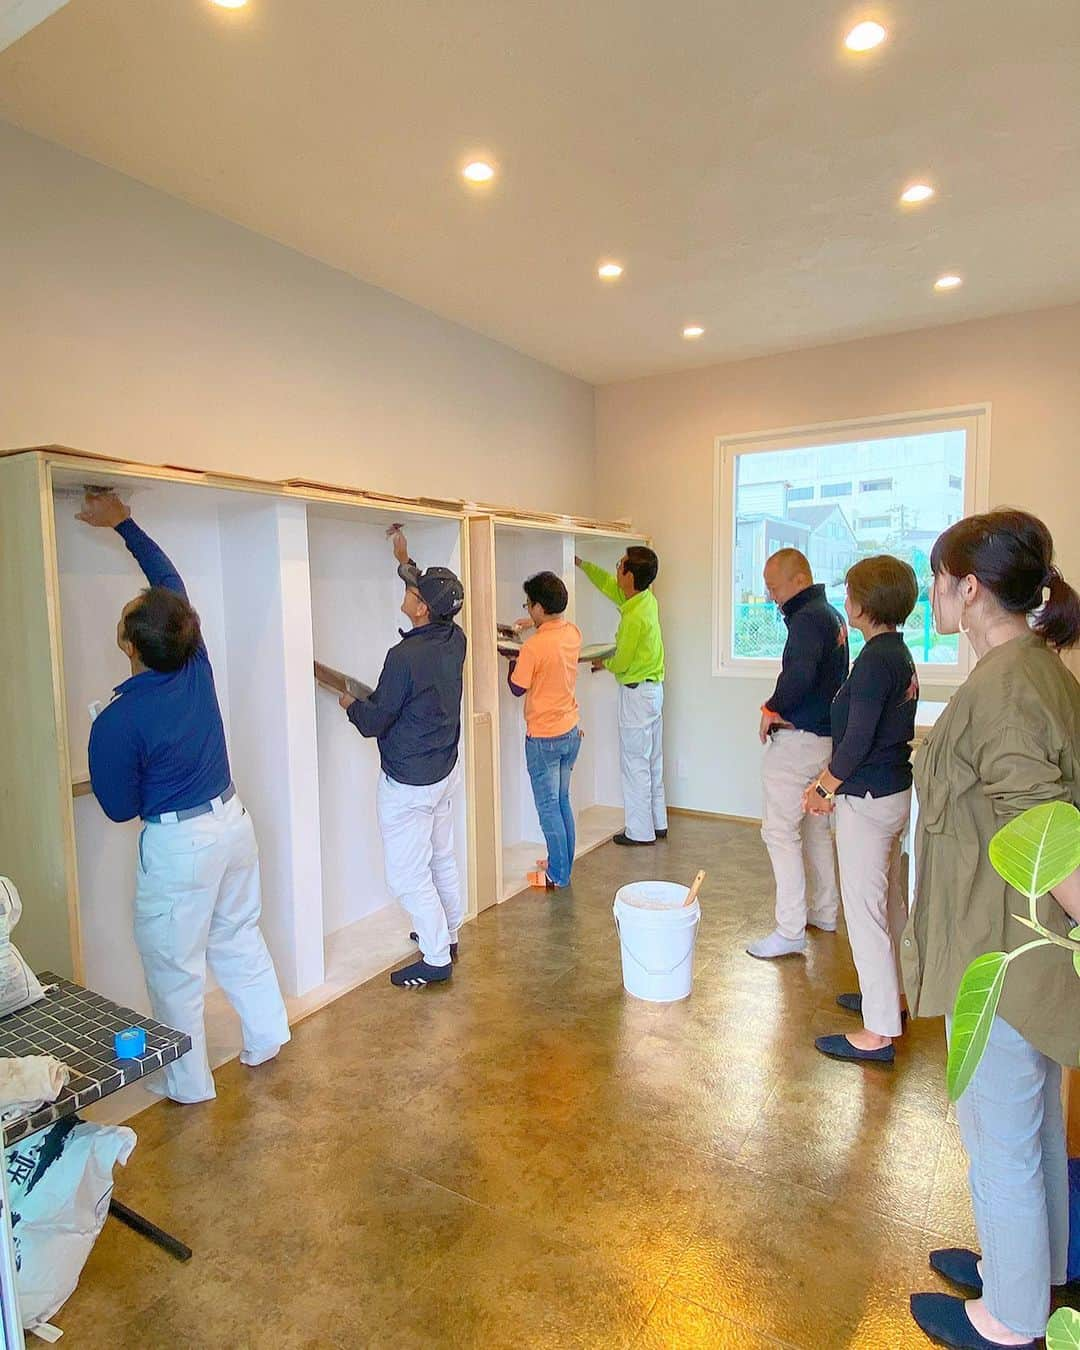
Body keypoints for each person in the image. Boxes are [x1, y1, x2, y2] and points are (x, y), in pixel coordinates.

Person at [903, 510, 1080, 1350]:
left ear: (967, 587)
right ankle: (1034, 1274)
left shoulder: (1008, 685)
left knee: (1000, 1137)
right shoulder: (1033, 668)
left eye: (939, 578)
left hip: (1002, 953)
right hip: (1027, 953)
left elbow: (1048, 834)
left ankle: (1011, 1320)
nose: (934, 592)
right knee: (1035, 1118)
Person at [80, 491, 290, 1105]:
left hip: (180, 846)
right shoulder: (194, 659)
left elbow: (119, 808)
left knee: (175, 975)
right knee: (238, 935)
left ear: (131, 647)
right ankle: (266, 1038)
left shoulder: (118, 720)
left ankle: (191, 1089)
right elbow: (169, 582)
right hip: (232, 822)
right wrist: (123, 522)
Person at [802, 556, 920, 1065]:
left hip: (867, 799)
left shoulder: (875, 662)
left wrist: (822, 790)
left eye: (850, 592)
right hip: (891, 793)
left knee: (867, 912)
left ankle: (877, 1033)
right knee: (888, 904)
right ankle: (888, 1000)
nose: (844, 600)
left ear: (866, 604)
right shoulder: (896, 653)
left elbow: (856, 742)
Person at [340, 527, 466, 989]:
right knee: (441, 859)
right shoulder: (456, 639)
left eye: (413, 590)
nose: (409, 592)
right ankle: (447, 935)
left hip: (409, 782)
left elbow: (376, 720)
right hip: (443, 772)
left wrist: (352, 706)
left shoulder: (403, 657)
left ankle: (436, 959)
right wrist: (403, 558)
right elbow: (426, 588)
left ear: (422, 608)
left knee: (407, 876)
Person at [748, 548, 849, 960]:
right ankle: (824, 912)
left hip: (799, 740)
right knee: (814, 829)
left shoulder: (807, 619)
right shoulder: (832, 616)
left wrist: (772, 707)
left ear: (799, 580)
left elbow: (799, 677)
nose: (772, 598)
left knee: (779, 832)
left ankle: (790, 929)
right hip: (824, 738)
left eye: (774, 588)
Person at [576, 547, 667, 846]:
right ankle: (657, 822)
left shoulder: (633, 618)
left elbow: (623, 661)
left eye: (619, 566)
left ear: (629, 575)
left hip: (637, 694)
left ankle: (639, 832)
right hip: (652, 692)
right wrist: (583, 564)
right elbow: (607, 585)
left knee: (635, 763)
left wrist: (604, 663)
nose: (616, 570)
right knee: (651, 760)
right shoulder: (644, 600)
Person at [504, 571, 584, 890]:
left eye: (528, 606)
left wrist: (513, 654)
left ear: (538, 607)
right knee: (562, 801)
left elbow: (517, 687)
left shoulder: (533, 648)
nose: (527, 611)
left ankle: (557, 874)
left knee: (548, 807)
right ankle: (561, 861)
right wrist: (530, 629)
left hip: (543, 738)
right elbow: (550, 637)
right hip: (570, 731)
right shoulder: (573, 633)